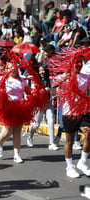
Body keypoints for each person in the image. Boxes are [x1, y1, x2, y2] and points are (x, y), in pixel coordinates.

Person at [0, 55, 48, 163]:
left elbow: (28, 92)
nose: (13, 69)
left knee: (17, 132)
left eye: (15, 67)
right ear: (7, 68)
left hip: (20, 106)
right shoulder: (3, 80)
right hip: (8, 107)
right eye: (11, 67)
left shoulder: (22, 80)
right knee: (7, 131)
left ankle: (17, 154)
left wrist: (37, 90)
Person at [51, 48, 90, 178]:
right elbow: (54, 86)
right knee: (69, 141)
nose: (79, 64)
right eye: (76, 62)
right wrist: (65, 79)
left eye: (80, 62)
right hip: (69, 113)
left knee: (89, 133)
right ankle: (69, 166)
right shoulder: (64, 76)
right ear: (71, 63)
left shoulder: (86, 77)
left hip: (83, 111)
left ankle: (83, 162)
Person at [27, 65, 58, 150]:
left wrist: (51, 89)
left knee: (51, 121)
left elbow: (54, 91)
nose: (42, 72)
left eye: (43, 70)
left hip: (48, 104)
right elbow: (33, 92)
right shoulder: (35, 81)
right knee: (36, 124)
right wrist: (43, 90)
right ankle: (30, 137)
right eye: (40, 71)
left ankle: (51, 143)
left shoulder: (50, 80)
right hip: (39, 105)